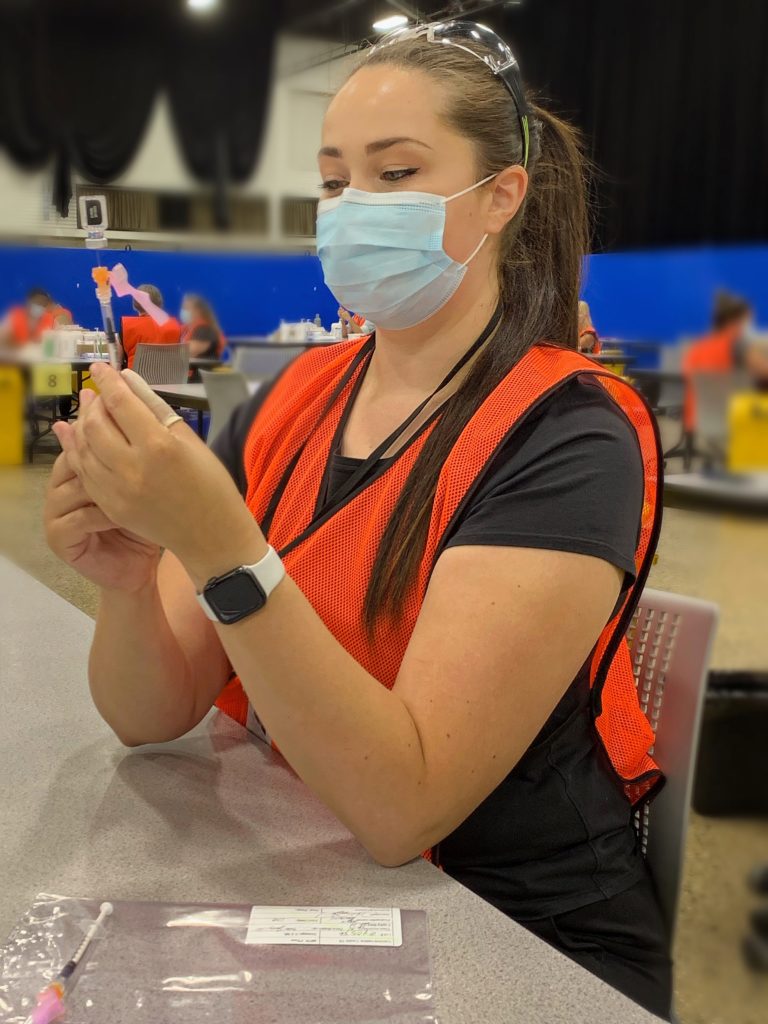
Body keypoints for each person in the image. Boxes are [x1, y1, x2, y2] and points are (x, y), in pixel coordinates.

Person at [44, 21, 670, 1018]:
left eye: (396, 173)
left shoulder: (568, 435)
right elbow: (148, 714)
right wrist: (129, 581)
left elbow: (401, 807)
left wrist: (221, 547)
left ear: (501, 197)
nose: (350, 208)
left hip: (513, 934)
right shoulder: (294, 396)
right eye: (334, 181)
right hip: (309, 864)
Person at [682, 291, 768, 434]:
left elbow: (688, 376)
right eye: (747, 320)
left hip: (699, 417)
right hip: (732, 417)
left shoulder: (698, 347)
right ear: (735, 320)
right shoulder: (737, 344)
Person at [120, 284, 181, 370]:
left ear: (135, 304)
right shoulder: (175, 325)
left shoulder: (127, 326)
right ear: (160, 303)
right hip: (170, 380)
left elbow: (117, 360)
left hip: (136, 381)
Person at [0, 288, 72, 347]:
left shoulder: (50, 320)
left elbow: (61, 341)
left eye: (42, 303)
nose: (39, 306)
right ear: (28, 303)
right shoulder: (15, 317)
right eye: (36, 302)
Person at [180, 293, 226, 359]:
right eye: (183, 308)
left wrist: (167, 352)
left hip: (202, 368)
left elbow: (190, 351)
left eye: (186, 308)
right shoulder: (186, 329)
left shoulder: (205, 330)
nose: (183, 311)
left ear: (198, 311)